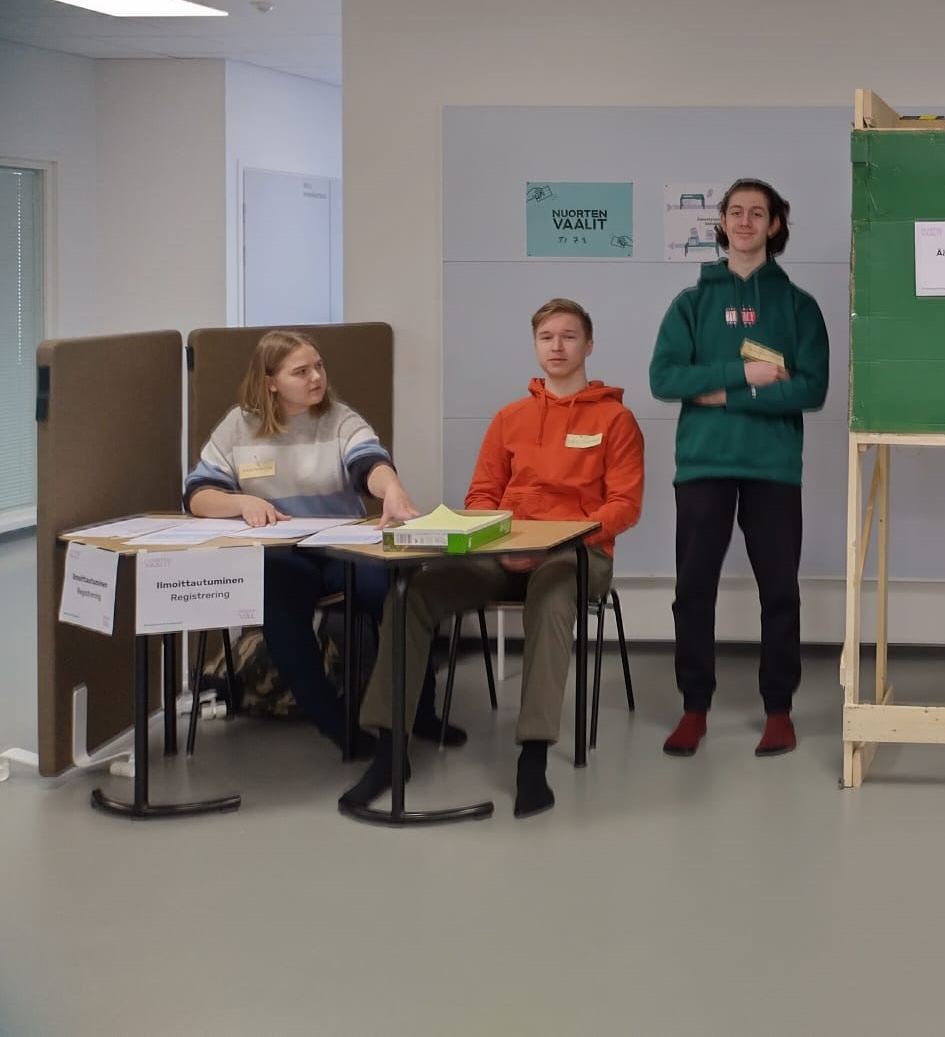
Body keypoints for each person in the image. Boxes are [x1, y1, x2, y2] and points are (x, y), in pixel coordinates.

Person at [341, 298, 644, 817]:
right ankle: (390, 751)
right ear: (535, 345)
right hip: (504, 551)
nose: (557, 346)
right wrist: (501, 542)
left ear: (589, 345)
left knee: (552, 597)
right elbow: (482, 495)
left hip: (578, 554)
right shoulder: (510, 418)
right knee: (414, 593)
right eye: (546, 337)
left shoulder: (615, 420)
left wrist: (552, 544)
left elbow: (623, 506)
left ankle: (533, 757)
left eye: (569, 336)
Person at [185, 329, 450, 756]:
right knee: (278, 609)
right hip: (283, 553)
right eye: (301, 371)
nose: (316, 378)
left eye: (319, 367)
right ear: (270, 381)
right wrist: (240, 502)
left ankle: (421, 711)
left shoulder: (339, 419)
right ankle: (337, 725)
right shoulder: (239, 426)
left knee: (399, 594)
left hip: (342, 547)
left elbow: (369, 463)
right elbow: (197, 495)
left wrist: (391, 489)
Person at [651, 178, 828, 759]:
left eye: (757, 213)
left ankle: (779, 711)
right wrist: (743, 375)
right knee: (693, 591)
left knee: (779, 592)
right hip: (703, 464)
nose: (745, 221)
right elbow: (665, 378)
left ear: (775, 225)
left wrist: (724, 395)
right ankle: (693, 708)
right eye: (735, 212)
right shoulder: (690, 303)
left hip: (773, 468)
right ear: (722, 223)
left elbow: (812, 388)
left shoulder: (799, 306)